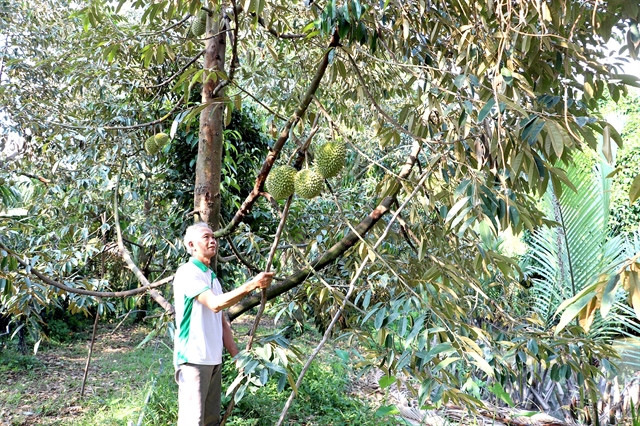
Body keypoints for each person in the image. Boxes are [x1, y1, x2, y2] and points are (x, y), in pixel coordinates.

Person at [173, 222, 274, 426]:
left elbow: (221, 321)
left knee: (211, 420)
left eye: (213, 237)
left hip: (213, 359)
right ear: (192, 245)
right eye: (206, 237)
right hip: (193, 359)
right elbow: (216, 304)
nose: (212, 240)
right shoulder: (188, 272)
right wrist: (252, 285)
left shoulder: (212, 278)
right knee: (193, 421)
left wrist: (236, 356)